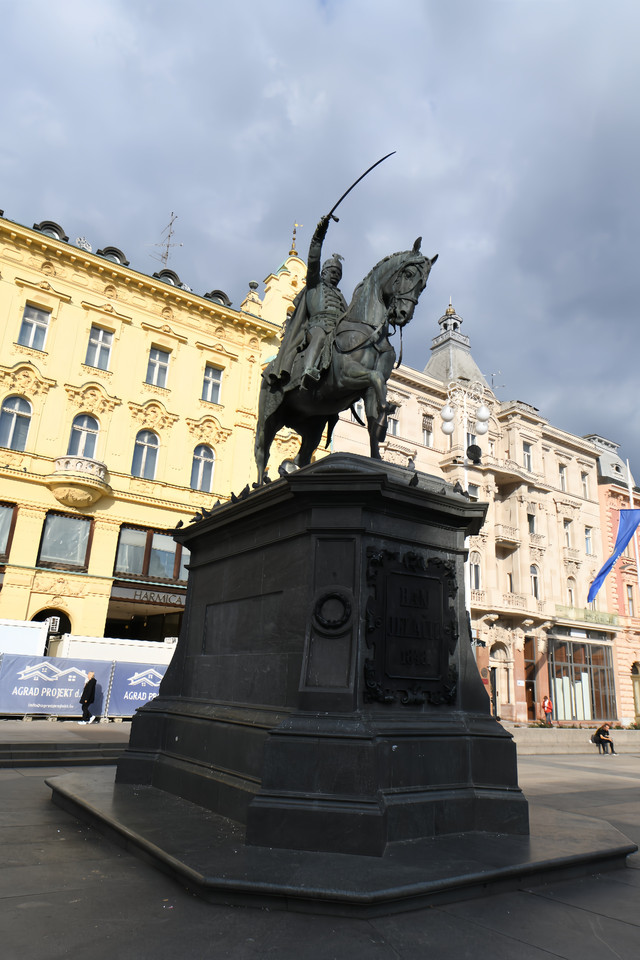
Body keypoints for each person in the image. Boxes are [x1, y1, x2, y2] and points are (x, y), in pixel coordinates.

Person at [268, 214, 347, 391]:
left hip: (337, 330)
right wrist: (320, 234)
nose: (336, 276)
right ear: (324, 272)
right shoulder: (315, 284)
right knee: (320, 337)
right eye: (333, 272)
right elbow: (313, 259)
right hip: (317, 326)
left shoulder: (340, 296)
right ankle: (308, 371)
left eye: (339, 274)